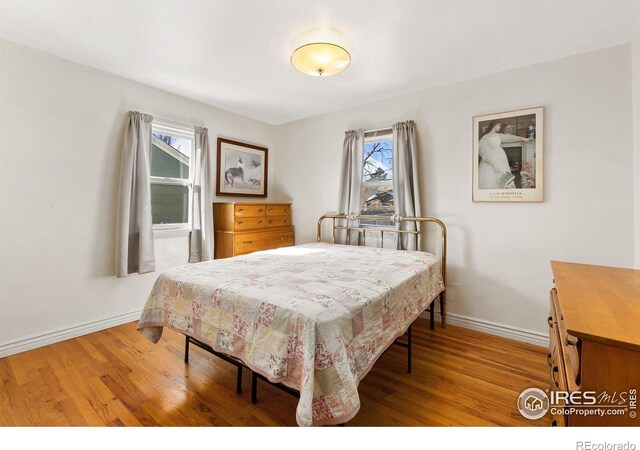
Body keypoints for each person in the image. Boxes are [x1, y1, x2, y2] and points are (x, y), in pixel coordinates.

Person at [478, 121, 530, 189]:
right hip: (490, 162)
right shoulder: (484, 138)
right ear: (494, 125)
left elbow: (510, 137)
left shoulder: (498, 135)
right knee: (491, 180)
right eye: (499, 125)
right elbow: (484, 153)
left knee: (503, 177)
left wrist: (522, 139)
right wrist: (494, 164)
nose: (500, 127)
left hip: (501, 159)